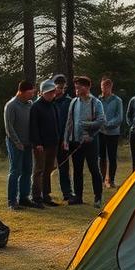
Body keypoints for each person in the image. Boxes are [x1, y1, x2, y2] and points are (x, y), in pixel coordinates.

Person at [63, 76, 105, 208]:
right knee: (77, 170)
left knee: (94, 169)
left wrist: (87, 125)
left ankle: (97, 197)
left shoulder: (96, 103)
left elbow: (101, 121)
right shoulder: (74, 102)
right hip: (75, 141)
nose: (76, 89)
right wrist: (66, 139)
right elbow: (69, 122)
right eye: (75, 86)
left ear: (87, 87)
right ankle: (78, 197)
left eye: (79, 86)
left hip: (90, 141)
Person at [4, 80, 36, 210]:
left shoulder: (30, 104)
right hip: (15, 144)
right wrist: (17, 143)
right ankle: (12, 201)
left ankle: (24, 198)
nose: (32, 95)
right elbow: (9, 127)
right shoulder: (11, 105)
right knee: (15, 171)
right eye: (30, 92)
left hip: (28, 144)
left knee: (27, 170)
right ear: (21, 92)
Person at [29, 79, 60, 207]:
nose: (51, 95)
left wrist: (59, 138)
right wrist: (37, 143)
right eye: (49, 92)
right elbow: (33, 127)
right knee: (39, 170)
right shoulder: (36, 106)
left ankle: (46, 195)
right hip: (40, 145)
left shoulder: (53, 105)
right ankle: (36, 197)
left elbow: (57, 123)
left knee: (48, 170)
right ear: (42, 93)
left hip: (53, 143)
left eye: (53, 92)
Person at [52, 74, 75, 202]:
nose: (59, 90)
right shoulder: (48, 100)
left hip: (63, 140)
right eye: (57, 87)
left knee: (64, 168)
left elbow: (70, 122)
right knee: (45, 168)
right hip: (49, 141)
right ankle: (44, 194)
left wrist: (66, 139)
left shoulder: (69, 102)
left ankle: (67, 193)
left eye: (62, 87)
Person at [97, 76, 123, 188]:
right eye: (103, 86)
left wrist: (108, 124)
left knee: (112, 157)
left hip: (113, 133)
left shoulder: (117, 100)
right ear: (101, 86)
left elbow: (119, 117)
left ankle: (111, 180)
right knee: (101, 157)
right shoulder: (98, 100)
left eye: (107, 86)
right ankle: (102, 179)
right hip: (100, 132)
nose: (105, 88)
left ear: (111, 87)